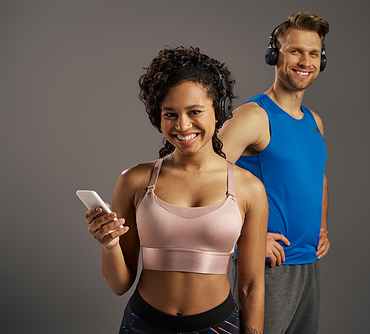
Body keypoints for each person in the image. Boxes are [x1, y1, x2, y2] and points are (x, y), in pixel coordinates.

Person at [84, 46, 267, 334]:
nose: (182, 125)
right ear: (158, 117)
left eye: (195, 111)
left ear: (219, 111)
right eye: (170, 114)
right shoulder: (134, 180)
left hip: (218, 327)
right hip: (143, 325)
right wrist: (108, 246)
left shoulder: (249, 188)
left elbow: (251, 286)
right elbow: (119, 284)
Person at [219, 12, 331, 334]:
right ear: (275, 54)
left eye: (313, 53)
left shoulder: (314, 121)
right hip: (268, 268)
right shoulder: (254, 116)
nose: (305, 61)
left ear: (321, 60)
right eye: (295, 50)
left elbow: (317, 176)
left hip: (307, 266)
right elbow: (203, 174)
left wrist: (320, 226)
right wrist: (243, 240)